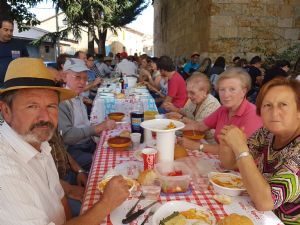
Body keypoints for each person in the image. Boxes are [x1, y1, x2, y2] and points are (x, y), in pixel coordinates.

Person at [0, 57, 129, 224]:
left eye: (51, 106)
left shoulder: (40, 144)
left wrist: (75, 180)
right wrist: (106, 203)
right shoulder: (6, 172)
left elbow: (60, 200)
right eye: (32, 106)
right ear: (6, 111)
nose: (45, 117)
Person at [218, 77, 300, 224]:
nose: (274, 113)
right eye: (267, 105)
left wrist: (240, 148)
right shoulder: (267, 132)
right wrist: (226, 143)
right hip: (256, 210)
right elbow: (230, 163)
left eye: (283, 105)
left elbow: (266, 202)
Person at [181, 68, 262, 154]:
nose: (226, 95)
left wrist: (197, 146)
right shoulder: (223, 109)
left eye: (232, 89)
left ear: (243, 91)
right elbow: (200, 126)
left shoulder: (253, 114)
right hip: (222, 161)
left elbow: (235, 152)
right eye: (222, 89)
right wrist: (172, 127)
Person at [59, 58, 116, 171]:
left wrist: (102, 132)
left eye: (85, 78)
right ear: (65, 77)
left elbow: (83, 125)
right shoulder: (62, 102)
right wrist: (98, 128)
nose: (82, 82)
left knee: (115, 153)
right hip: (73, 150)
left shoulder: (78, 96)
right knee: (106, 164)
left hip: (87, 143)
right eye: (77, 77)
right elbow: (67, 136)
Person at [166, 72, 220, 144]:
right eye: (187, 92)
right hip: (191, 137)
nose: (188, 96)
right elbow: (186, 111)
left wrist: (181, 118)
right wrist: (175, 109)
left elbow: (201, 127)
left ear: (204, 92)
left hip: (208, 143)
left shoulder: (212, 104)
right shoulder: (194, 100)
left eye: (192, 92)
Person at [0, 17, 29, 85]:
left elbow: (27, 62)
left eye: (11, 30)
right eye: (6, 30)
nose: (9, 33)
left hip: (16, 84)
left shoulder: (19, 44)